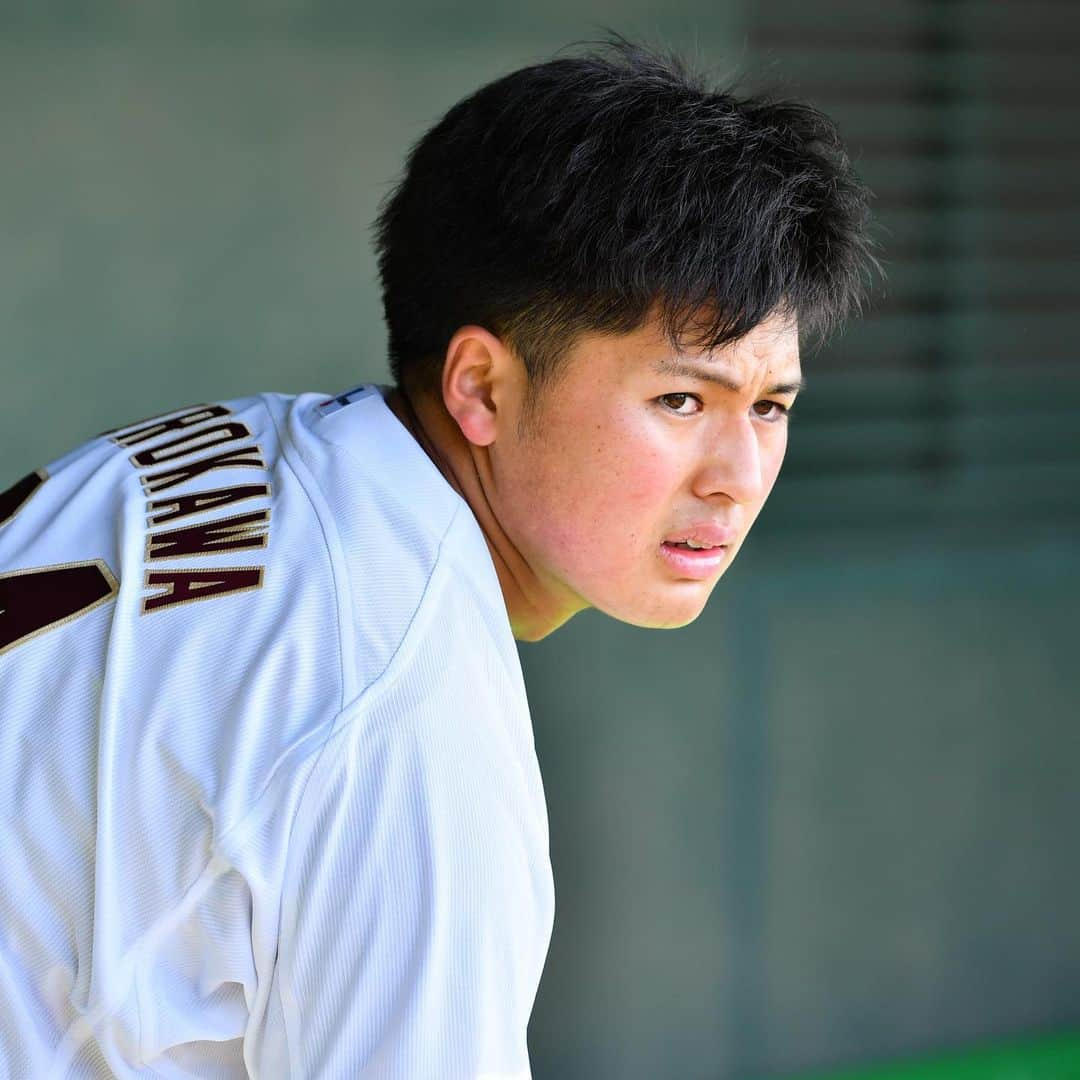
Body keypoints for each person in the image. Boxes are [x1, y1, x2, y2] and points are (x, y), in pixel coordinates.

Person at [0, 33, 877, 1079]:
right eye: (680, 399)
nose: (737, 472)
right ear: (481, 386)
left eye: (770, 406)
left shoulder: (237, 449)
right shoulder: (407, 708)